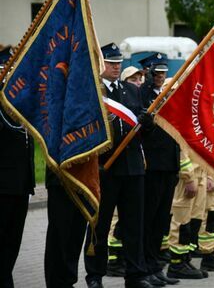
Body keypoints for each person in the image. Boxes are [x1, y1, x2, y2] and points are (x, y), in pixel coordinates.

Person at [84, 43, 154, 288]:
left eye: (118, 63)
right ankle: (94, 275)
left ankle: (136, 274)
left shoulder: (131, 91)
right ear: (102, 65)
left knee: (134, 225)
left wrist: (147, 124)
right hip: (105, 168)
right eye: (111, 63)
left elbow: (141, 133)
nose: (116, 67)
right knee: (99, 226)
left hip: (133, 168)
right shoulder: (94, 92)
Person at [138, 54, 181, 286]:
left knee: (161, 220)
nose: (161, 77)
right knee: (149, 217)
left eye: (164, 73)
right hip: (152, 166)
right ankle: (144, 265)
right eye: (157, 73)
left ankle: (155, 265)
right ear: (149, 73)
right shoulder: (143, 96)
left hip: (169, 166)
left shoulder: (168, 98)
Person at [0, 47, 35, 288]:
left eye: (12, 69)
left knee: (13, 239)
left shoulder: (20, 103)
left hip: (22, 183)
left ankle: (6, 275)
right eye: (5, 68)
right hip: (2, 185)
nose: (9, 72)